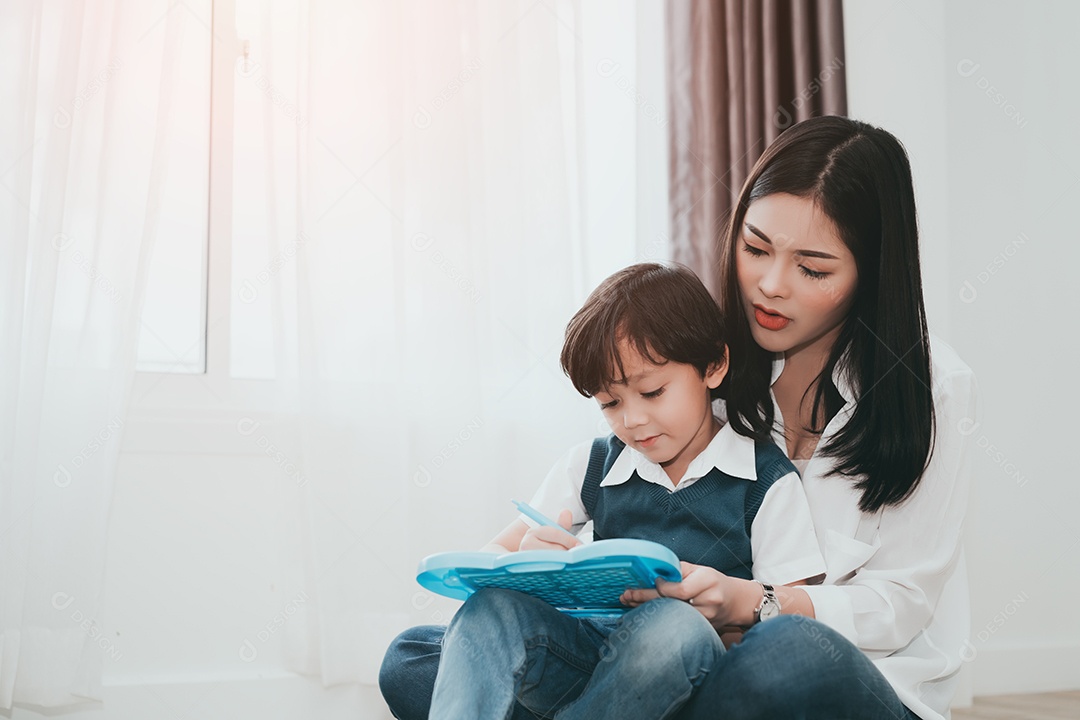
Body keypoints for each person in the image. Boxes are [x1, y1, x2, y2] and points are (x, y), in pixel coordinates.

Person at [626, 115, 975, 720]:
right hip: (700, 664)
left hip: (863, 684)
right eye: (755, 248)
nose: (769, 285)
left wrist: (759, 603)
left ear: (872, 272)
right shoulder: (701, 364)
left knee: (785, 653)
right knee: (418, 657)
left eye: (813, 269)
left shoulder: (931, 386)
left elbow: (902, 602)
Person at [384, 262, 827, 720]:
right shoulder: (592, 464)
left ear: (713, 365)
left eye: (652, 392)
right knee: (416, 652)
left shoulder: (767, 481)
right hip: (588, 660)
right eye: (611, 403)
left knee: (673, 629)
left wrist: (719, 613)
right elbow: (493, 559)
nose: (631, 420)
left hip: (685, 678)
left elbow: (784, 634)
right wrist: (529, 565)